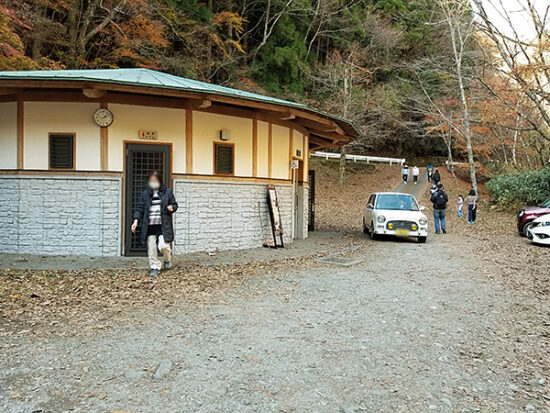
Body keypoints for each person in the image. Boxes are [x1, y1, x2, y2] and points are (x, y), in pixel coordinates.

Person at [132, 171, 179, 277]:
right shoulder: (146, 194)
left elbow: (174, 204)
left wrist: (172, 207)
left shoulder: (167, 192)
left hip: (163, 224)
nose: (153, 182)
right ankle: (155, 267)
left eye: (155, 180)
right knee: (152, 248)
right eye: (151, 181)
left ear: (160, 181)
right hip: (149, 225)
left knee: (163, 247)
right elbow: (140, 209)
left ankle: (167, 259)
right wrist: (135, 221)